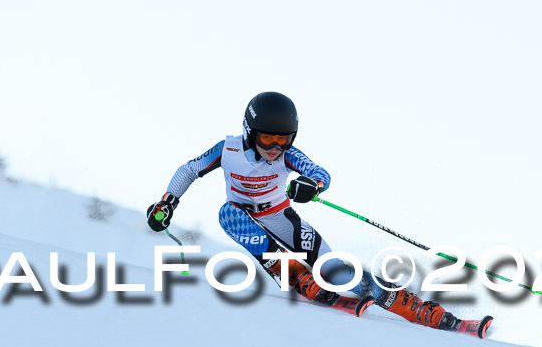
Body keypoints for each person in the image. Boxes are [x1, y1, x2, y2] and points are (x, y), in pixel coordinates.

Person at [147, 91, 466, 332]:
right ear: (249, 130)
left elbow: (319, 172)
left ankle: (422, 310)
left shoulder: (286, 155)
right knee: (228, 213)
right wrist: (167, 201)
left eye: (282, 140)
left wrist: (311, 185)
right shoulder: (228, 149)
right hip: (244, 217)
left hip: (282, 217)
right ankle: (294, 274)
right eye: (268, 138)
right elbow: (189, 170)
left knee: (340, 274)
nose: (274, 147)